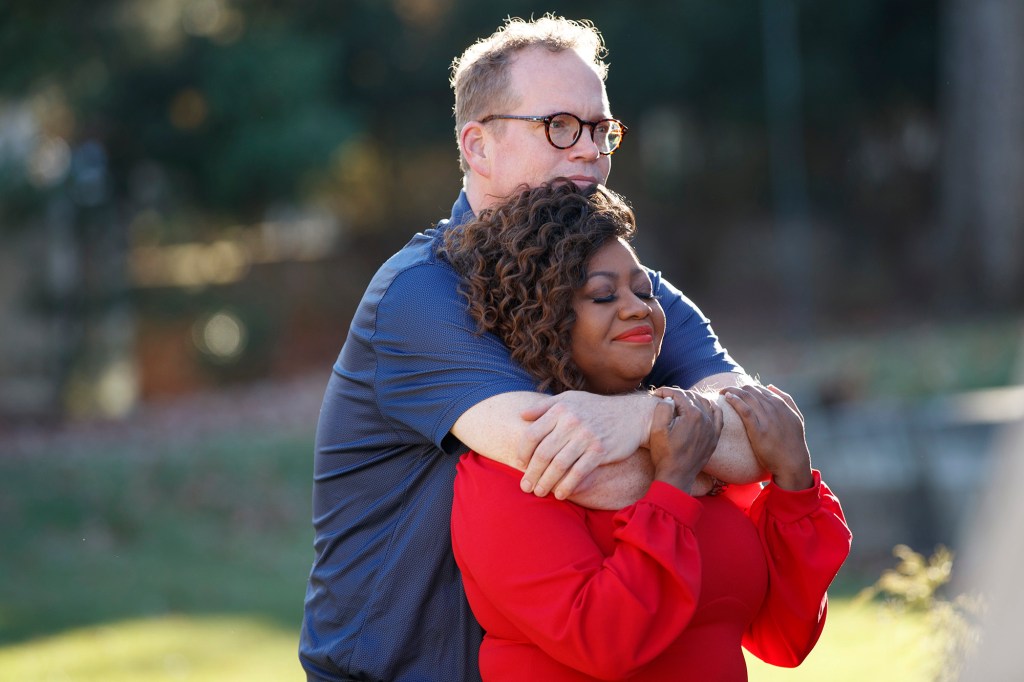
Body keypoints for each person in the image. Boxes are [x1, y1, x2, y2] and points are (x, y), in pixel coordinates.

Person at [301, 15, 761, 682]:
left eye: (602, 132)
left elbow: (763, 432)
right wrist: (686, 440)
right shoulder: (419, 294)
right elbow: (571, 466)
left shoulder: (629, 289)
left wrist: (638, 419)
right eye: (560, 127)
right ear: (479, 147)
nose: (590, 153)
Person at [446, 181, 852, 681]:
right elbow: (603, 641)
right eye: (602, 295)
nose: (639, 307)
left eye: (644, 290)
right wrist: (671, 485)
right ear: (543, 317)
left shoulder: (696, 442)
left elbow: (784, 637)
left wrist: (793, 485)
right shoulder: (514, 470)